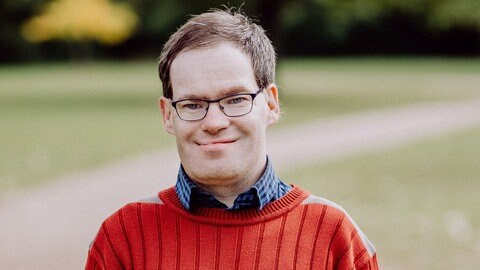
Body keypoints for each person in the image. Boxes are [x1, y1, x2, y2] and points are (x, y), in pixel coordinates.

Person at [85, 8, 379, 270]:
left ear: (271, 104)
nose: (214, 123)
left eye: (236, 99)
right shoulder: (123, 237)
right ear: (167, 115)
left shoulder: (333, 235)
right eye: (192, 105)